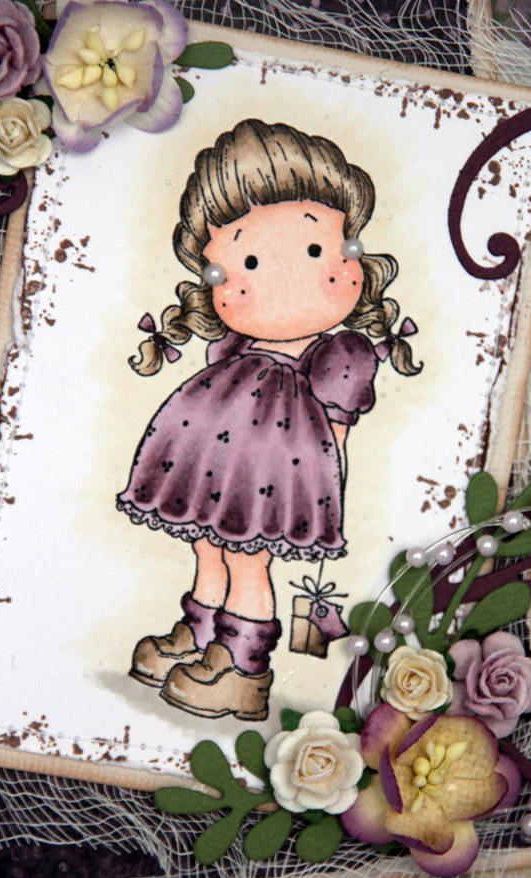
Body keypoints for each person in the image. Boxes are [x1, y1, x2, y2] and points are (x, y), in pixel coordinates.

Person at [117, 118, 421, 721]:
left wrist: (317, 494)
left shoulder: (339, 356)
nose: (286, 278)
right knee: (207, 542)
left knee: (247, 558)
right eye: (249, 261)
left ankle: (244, 667)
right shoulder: (235, 351)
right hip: (211, 461)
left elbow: (335, 437)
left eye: (314, 250)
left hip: (276, 475)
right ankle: (202, 632)